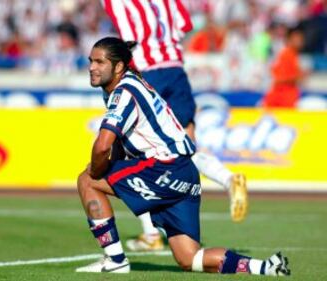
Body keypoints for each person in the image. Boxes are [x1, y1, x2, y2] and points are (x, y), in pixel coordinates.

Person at [75, 37, 290, 276]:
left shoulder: (124, 92)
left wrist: (95, 170)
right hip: (185, 171)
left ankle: (115, 260)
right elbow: (116, 146)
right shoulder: (134, 84)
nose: (92, 67)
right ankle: (267, 267)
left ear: (118, 67)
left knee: (87, 180)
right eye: (91, 61)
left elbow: (103, 146)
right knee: (190, 258)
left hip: (162, 166)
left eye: (99, 62)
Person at [100, 0, 247, 251]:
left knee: (140, 154)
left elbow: (125, 36)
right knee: (184, 148)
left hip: (147, 72)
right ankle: (228, 178)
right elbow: (185, 25)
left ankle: (151, 233)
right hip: (176, 71)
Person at [263, 26, 307, 108]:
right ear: (289, 39)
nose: (299, 42)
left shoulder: (293, 55)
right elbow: (278, 79)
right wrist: (298, 77)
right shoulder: (286, 54)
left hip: (287, 98)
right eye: (296, 39)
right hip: (280, 99)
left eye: (301, 39)